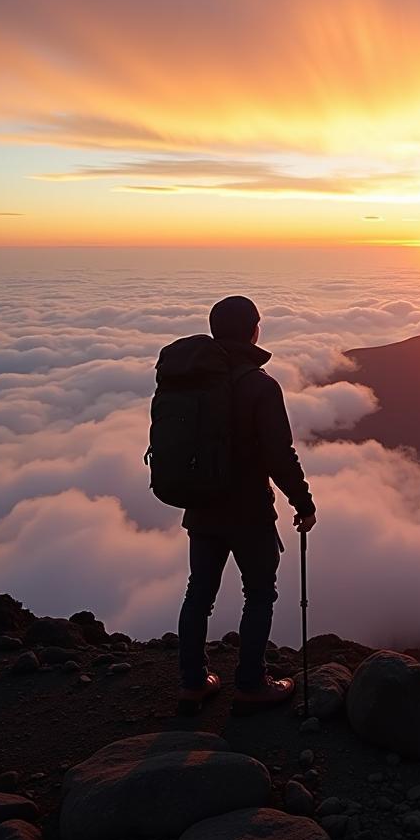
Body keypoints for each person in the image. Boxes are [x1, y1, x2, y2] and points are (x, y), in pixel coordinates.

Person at [176, 295, 317, 713]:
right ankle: (252, 684)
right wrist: (303, 502)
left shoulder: (192, 379)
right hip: (249, 512)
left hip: (200, 507)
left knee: (198, 593)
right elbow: (279, 455)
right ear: (254, 330)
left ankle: (192, 682)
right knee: (258, 594)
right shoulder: (260, 385)